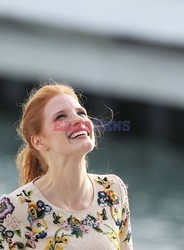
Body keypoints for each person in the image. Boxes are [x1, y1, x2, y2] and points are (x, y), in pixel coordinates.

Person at [0, 82, 133, 249]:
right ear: (39, 142)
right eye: (60, 117)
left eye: (81, 113)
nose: (79, 120)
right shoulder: (13, 210)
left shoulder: (113, 191)